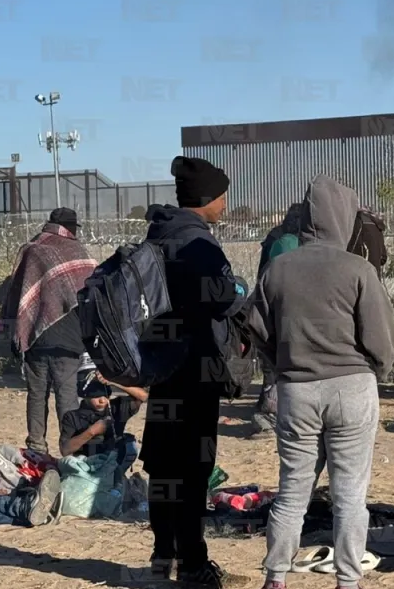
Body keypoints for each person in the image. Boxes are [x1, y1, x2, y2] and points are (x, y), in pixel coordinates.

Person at [247, 176, 394, 589]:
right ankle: (348, 581)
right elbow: (382, 340)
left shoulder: (279, 268)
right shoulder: (359, 269)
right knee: (350, 497)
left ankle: (276, 577)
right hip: (352, 388)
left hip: (296, 391)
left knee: (292, 492)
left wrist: (279, 364)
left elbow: (255, 326)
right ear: (345, 218)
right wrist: (376, 373)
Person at [140, 156, 248, 588]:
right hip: (194, 370)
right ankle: (194, 562)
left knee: (163, 466)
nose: (225, 205)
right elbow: (224, 298)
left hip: (159, 367)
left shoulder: (158, 235)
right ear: (209, 199)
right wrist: (239, 286)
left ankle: (162, 554)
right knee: (192, 468)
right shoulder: (195, 242)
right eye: (223, 196)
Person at [0, 207, 98, 454]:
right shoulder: (77, 251)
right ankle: (70, 447)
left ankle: (36, 446)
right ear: (72, 228)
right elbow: (91, 294)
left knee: (36, 394)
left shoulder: (32, 249)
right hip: (68, 340)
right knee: (67, 396)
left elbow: (17, 294)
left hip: (35, 336)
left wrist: (16, 330)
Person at [251, 203, 304, 439]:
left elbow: (264, 272)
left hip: (271, 304)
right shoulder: (295, 241)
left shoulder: (276, 237)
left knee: (271, 362)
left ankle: (269, 405)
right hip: (291, 306)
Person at [60, 368, 147, 485]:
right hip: (86, 469)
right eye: (96, 397)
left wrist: (114, 381)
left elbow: (144, 396)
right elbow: (65, 450)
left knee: (129, 445)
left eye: (105, 396)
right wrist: (91, 432)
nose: (102, 400)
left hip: (114, 468)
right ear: (85, 397)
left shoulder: (116, 408)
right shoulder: (72, 417)